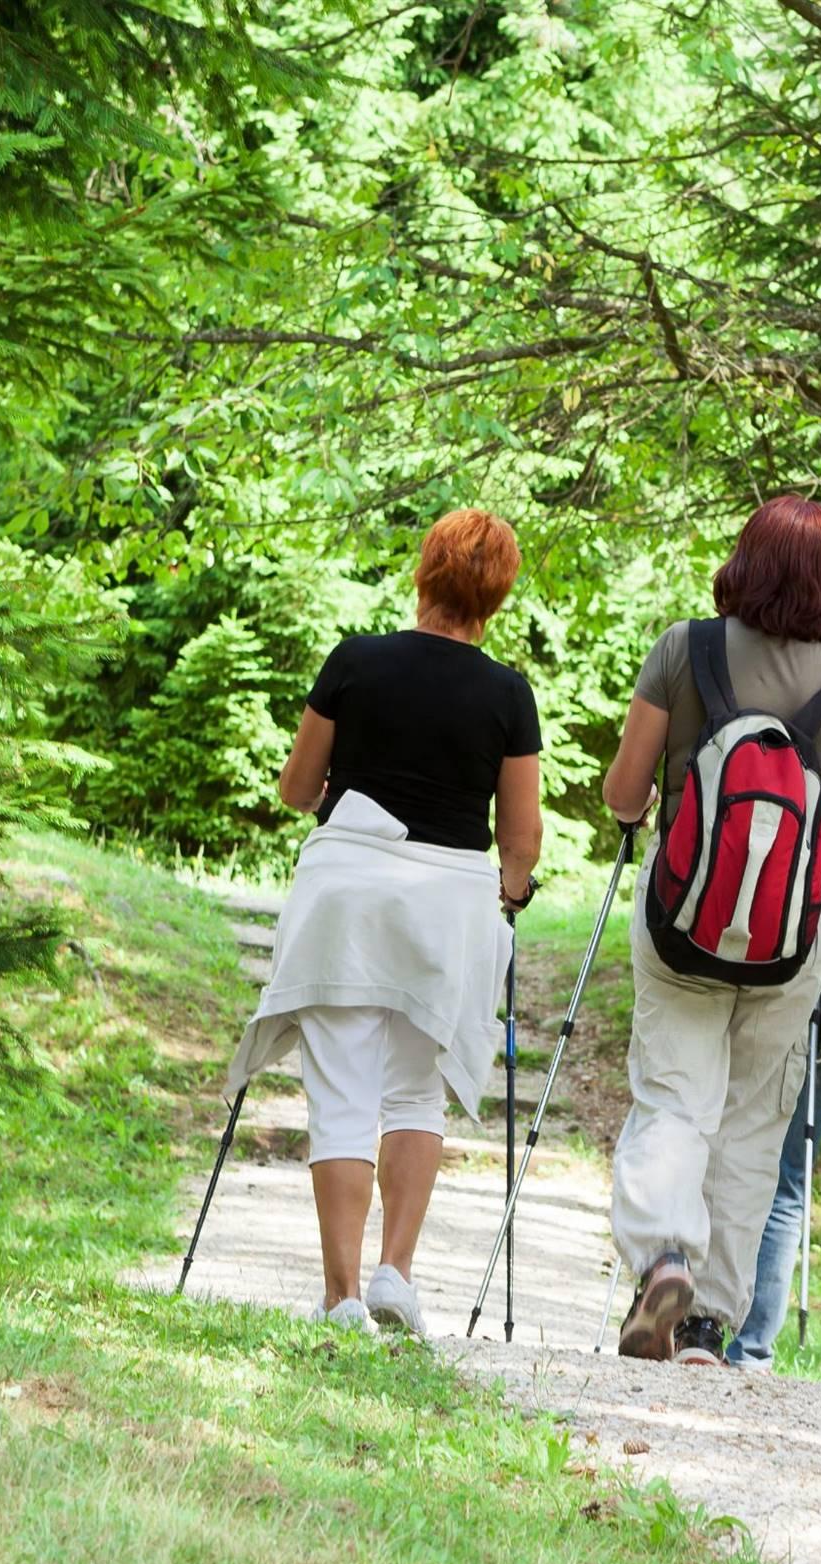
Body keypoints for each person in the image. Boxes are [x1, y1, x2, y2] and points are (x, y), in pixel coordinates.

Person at [601, 495, 821, 1364]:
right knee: (754, 1122)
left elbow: (623, 791)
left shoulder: (682, 649)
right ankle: (706, 1324)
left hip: (682, 922)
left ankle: (660, 1255)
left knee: (674, 1096)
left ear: (745, 561)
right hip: (789, 941)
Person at [245, 508, 542, 1336]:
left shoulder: (354, 661)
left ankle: (340, 1298)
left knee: (342, 1091)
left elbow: (298, 789)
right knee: (415, 1091)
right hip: (446, 907)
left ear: (425, 572)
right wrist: (512, 894)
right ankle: (394, 1276)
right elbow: (519, 838)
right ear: (498, 595)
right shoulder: (508, 694)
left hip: (347, 895)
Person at [724, 1035, 821, 1371]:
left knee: (722, 1157)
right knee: (787, 1187)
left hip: (765, 1006)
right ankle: (750, 1350)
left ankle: (691, 1329)